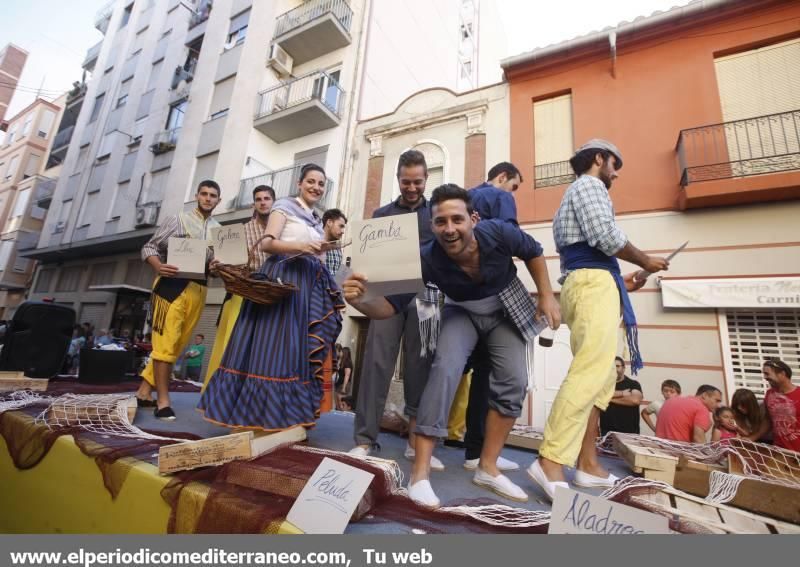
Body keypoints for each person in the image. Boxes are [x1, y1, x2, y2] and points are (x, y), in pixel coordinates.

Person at [343, 184, 561, 507]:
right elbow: (389, 308)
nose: (450, 229)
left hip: (503, 306)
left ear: (473, 218)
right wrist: (361, 301)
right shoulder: (427, 257)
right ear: (432, 226)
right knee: (444, 369)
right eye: (441, 222)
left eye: (457, 219)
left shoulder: (499, 232)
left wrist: (545, 294)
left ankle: (487, 466)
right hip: (461, 310)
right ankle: (420, 474)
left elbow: (533, 251)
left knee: (514, 380)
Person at [528, 139, 670, 501]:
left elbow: (587, 256)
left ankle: (588, 464)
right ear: (597, 159)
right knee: (591, 372)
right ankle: (550, 459)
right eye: (613, 163)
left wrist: (624, 281)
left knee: (602, 378)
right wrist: (644, 260)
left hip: (592, 282)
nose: (616, 173)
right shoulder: (589, 184)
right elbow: (604, 236)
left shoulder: (575, 193)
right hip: (592, 285)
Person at [199, 164, 344, 433]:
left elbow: (313, 251)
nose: (316, 187)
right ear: (299, 183)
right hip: (282, 280)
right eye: (311, 181)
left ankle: (282, 420)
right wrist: (302, 246)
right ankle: (249, 422)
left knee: (293, 353)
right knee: (268, 350)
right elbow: (267, 244)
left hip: (305, 290)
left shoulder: (315, 218)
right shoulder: (284, 207)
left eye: (321, 184)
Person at [349, 150, 442, 471]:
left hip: (427, 298)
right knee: (376, 363)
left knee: (422, 368)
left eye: (417, 182)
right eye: (406, 182)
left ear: (426, 179)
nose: (412, 187)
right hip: (386, 295)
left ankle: (416, 442)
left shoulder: (437, 214)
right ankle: (363, 440)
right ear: (398, 180)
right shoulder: (381, 214)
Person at [459, 161, 525, 473]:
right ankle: (478, 452)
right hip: (490, 291)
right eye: (514, 186)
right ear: (503, 177)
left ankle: (420, 448)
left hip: (458, 293)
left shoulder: (464, 198)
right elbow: (511, 236)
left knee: (450, 367)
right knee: (488, 374)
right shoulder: (501, 197)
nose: (513, 194)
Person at [136, 180, 222, 420]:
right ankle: (163, 401)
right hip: (171, 287)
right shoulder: (179, 219)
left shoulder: (218, 229)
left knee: (177, 345)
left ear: (218, 200)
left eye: (212, 195)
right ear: (197, 195)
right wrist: (159, 266)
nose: (207, 198)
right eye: (204, 194)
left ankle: (144, 391)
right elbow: (149, 247)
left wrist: (216, 267)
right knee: (166, 345)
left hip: (199, 289)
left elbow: (213, 267)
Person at [203, 185, 276, 389]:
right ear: (254, 204)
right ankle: (221, 393)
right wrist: (217, 265)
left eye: (267, 198)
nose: (263, 202)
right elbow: (224, 265)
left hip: (272, 296)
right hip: (243, 294)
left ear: (273, 202)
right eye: (258, 199)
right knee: (232, 345)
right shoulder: (241, 231)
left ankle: (251, 396)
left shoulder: (282, 230)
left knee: (263, 350)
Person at [655, 384, 721, 443]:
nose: (718, 405)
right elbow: (698, 439)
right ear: (704, 395)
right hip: (678, 452)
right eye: (717, 400)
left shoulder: (671, 401)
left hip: (657, 449)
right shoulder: (702, 409)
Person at [761, 359, 800, 452]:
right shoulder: (769, 394)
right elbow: (768, 421)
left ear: (782, 374)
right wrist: (751, 438)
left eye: (767, 373)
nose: (765, 377)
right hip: (779, 452)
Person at [599, 357, 643, 435]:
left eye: (618, 366)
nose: (615, 369)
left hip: (629, 433)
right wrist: (622, 394)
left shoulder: (633, 384)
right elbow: (597, 397)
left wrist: (607, 398)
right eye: (612, 367)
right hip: (607, 432)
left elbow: (635, 400)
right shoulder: (603, 385)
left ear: (623, 368)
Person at [322, 208, 348, 276]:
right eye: (340, 226)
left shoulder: (338, 249)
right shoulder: (314, 240)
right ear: (329, 222)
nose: (343, 231)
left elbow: (337, 275)